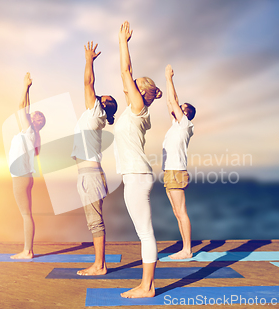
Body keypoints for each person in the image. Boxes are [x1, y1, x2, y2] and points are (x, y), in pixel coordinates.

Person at [114, 21, 162, 298]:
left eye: (133, 87)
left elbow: (125, 71)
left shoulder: (139, 108)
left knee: (145, 233)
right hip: (134, 175)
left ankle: (147, 286)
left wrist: (123, 42)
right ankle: (147, 284)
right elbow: (127, 78)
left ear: (141, 92)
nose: (128, 87)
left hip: (137, 175)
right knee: (143, 232)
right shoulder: (136, 111)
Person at [71, 41, 118, 276]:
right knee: (94, 221)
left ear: (104, 104)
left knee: (95, 222)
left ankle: (100, 266)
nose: (99, 94)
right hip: (89, 174)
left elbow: (88, 82)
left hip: (90, 175)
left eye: (104, 96)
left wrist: (89, 59)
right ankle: (99, 263)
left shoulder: (95, 110)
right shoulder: (95, 114)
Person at [8, 72, 46, 259]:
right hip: (27, 177)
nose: (30, 115)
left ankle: (27, 251)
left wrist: (25, 87)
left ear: (34, 122)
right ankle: (28, 249)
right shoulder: (33, 134)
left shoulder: (29, 130)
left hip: (21, 177)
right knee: (27, 213)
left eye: (33, 116)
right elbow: (26, 107)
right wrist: (28, 88)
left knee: (25, 214)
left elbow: (21, 107)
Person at [162, 64, 196, 260]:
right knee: (176, 211)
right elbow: (169, 102)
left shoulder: (185, 125)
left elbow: (173, 101)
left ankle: (187, 250)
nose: (176, 109)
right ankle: (185, 248)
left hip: (176, 171)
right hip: (170, 171)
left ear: (186, 114)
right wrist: (167, 84)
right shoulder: (176, 125)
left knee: (181, 211)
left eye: (181, 109)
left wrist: (169, 78)